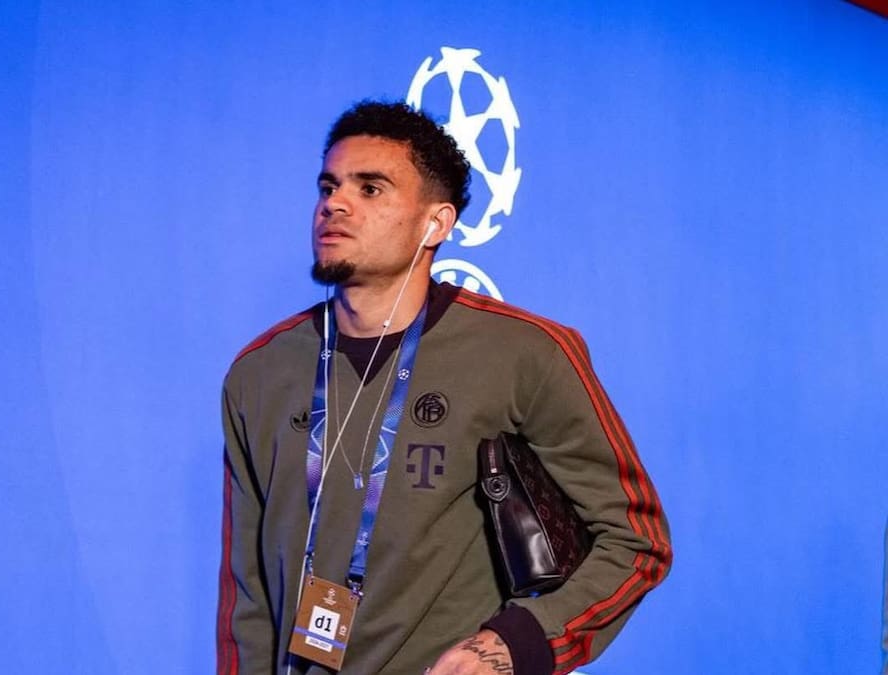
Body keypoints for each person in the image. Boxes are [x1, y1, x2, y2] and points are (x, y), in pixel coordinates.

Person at [217, 100, 671, 675]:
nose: (335, 203)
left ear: (436, 223)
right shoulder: (260, 371)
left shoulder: (523, 352)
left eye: (370, 188)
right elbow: (246, 591)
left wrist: (511, 645)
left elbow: (637, 540)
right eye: (329, 186)